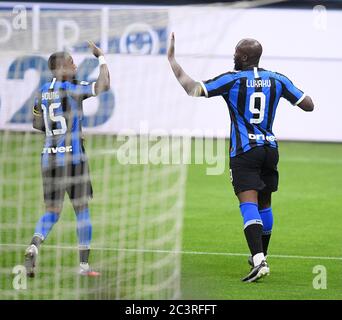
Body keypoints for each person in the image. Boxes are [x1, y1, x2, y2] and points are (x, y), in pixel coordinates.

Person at [167, 33, 314, 282]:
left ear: (244, 57)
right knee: (265, 204)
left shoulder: (232, 80)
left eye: (236, 53)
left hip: (245, 152)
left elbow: (193, 89)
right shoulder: (278, 79)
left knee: (248, 204)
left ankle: (259, 262)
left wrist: (172, 60)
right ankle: (262, 255)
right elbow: (308, 104)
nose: (233, 57)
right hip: (269, 149)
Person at [25, 41, 110, 277]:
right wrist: (101, 57)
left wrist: (56, 133)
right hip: (74, 161)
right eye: (72, 62)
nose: (75, 65)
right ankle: (84, 267)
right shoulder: (73, 88)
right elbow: (104, 85)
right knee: (82, 210)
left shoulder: (42, 91)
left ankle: (34, 244)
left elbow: (36, 123)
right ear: (63, 68)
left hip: (48, 161)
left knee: (52, 210)